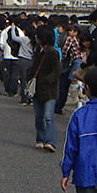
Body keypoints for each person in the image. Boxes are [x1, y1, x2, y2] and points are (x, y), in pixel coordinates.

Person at [30, 24, 61, 152]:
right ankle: (40, 139)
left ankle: (50, 141)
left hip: (49, 89)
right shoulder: (38, 51)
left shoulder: (52, 52)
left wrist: (47, 80)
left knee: (48, 116)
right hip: (39, 88)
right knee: (39, 117)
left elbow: (57, 71)